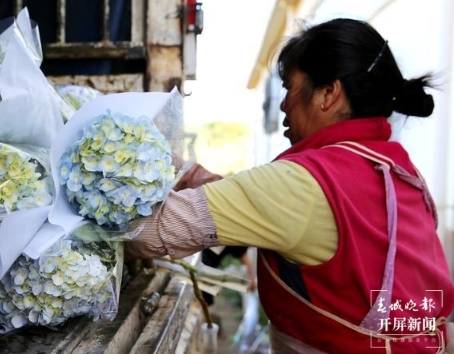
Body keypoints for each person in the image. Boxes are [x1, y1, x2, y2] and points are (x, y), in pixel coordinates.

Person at [126, 18, 454, 352]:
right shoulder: (399, 171)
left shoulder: (305, 181)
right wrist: (185, 172)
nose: (283, 104)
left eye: (289, 87)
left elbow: (148, 234)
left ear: (328, 93)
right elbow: (268, 204)